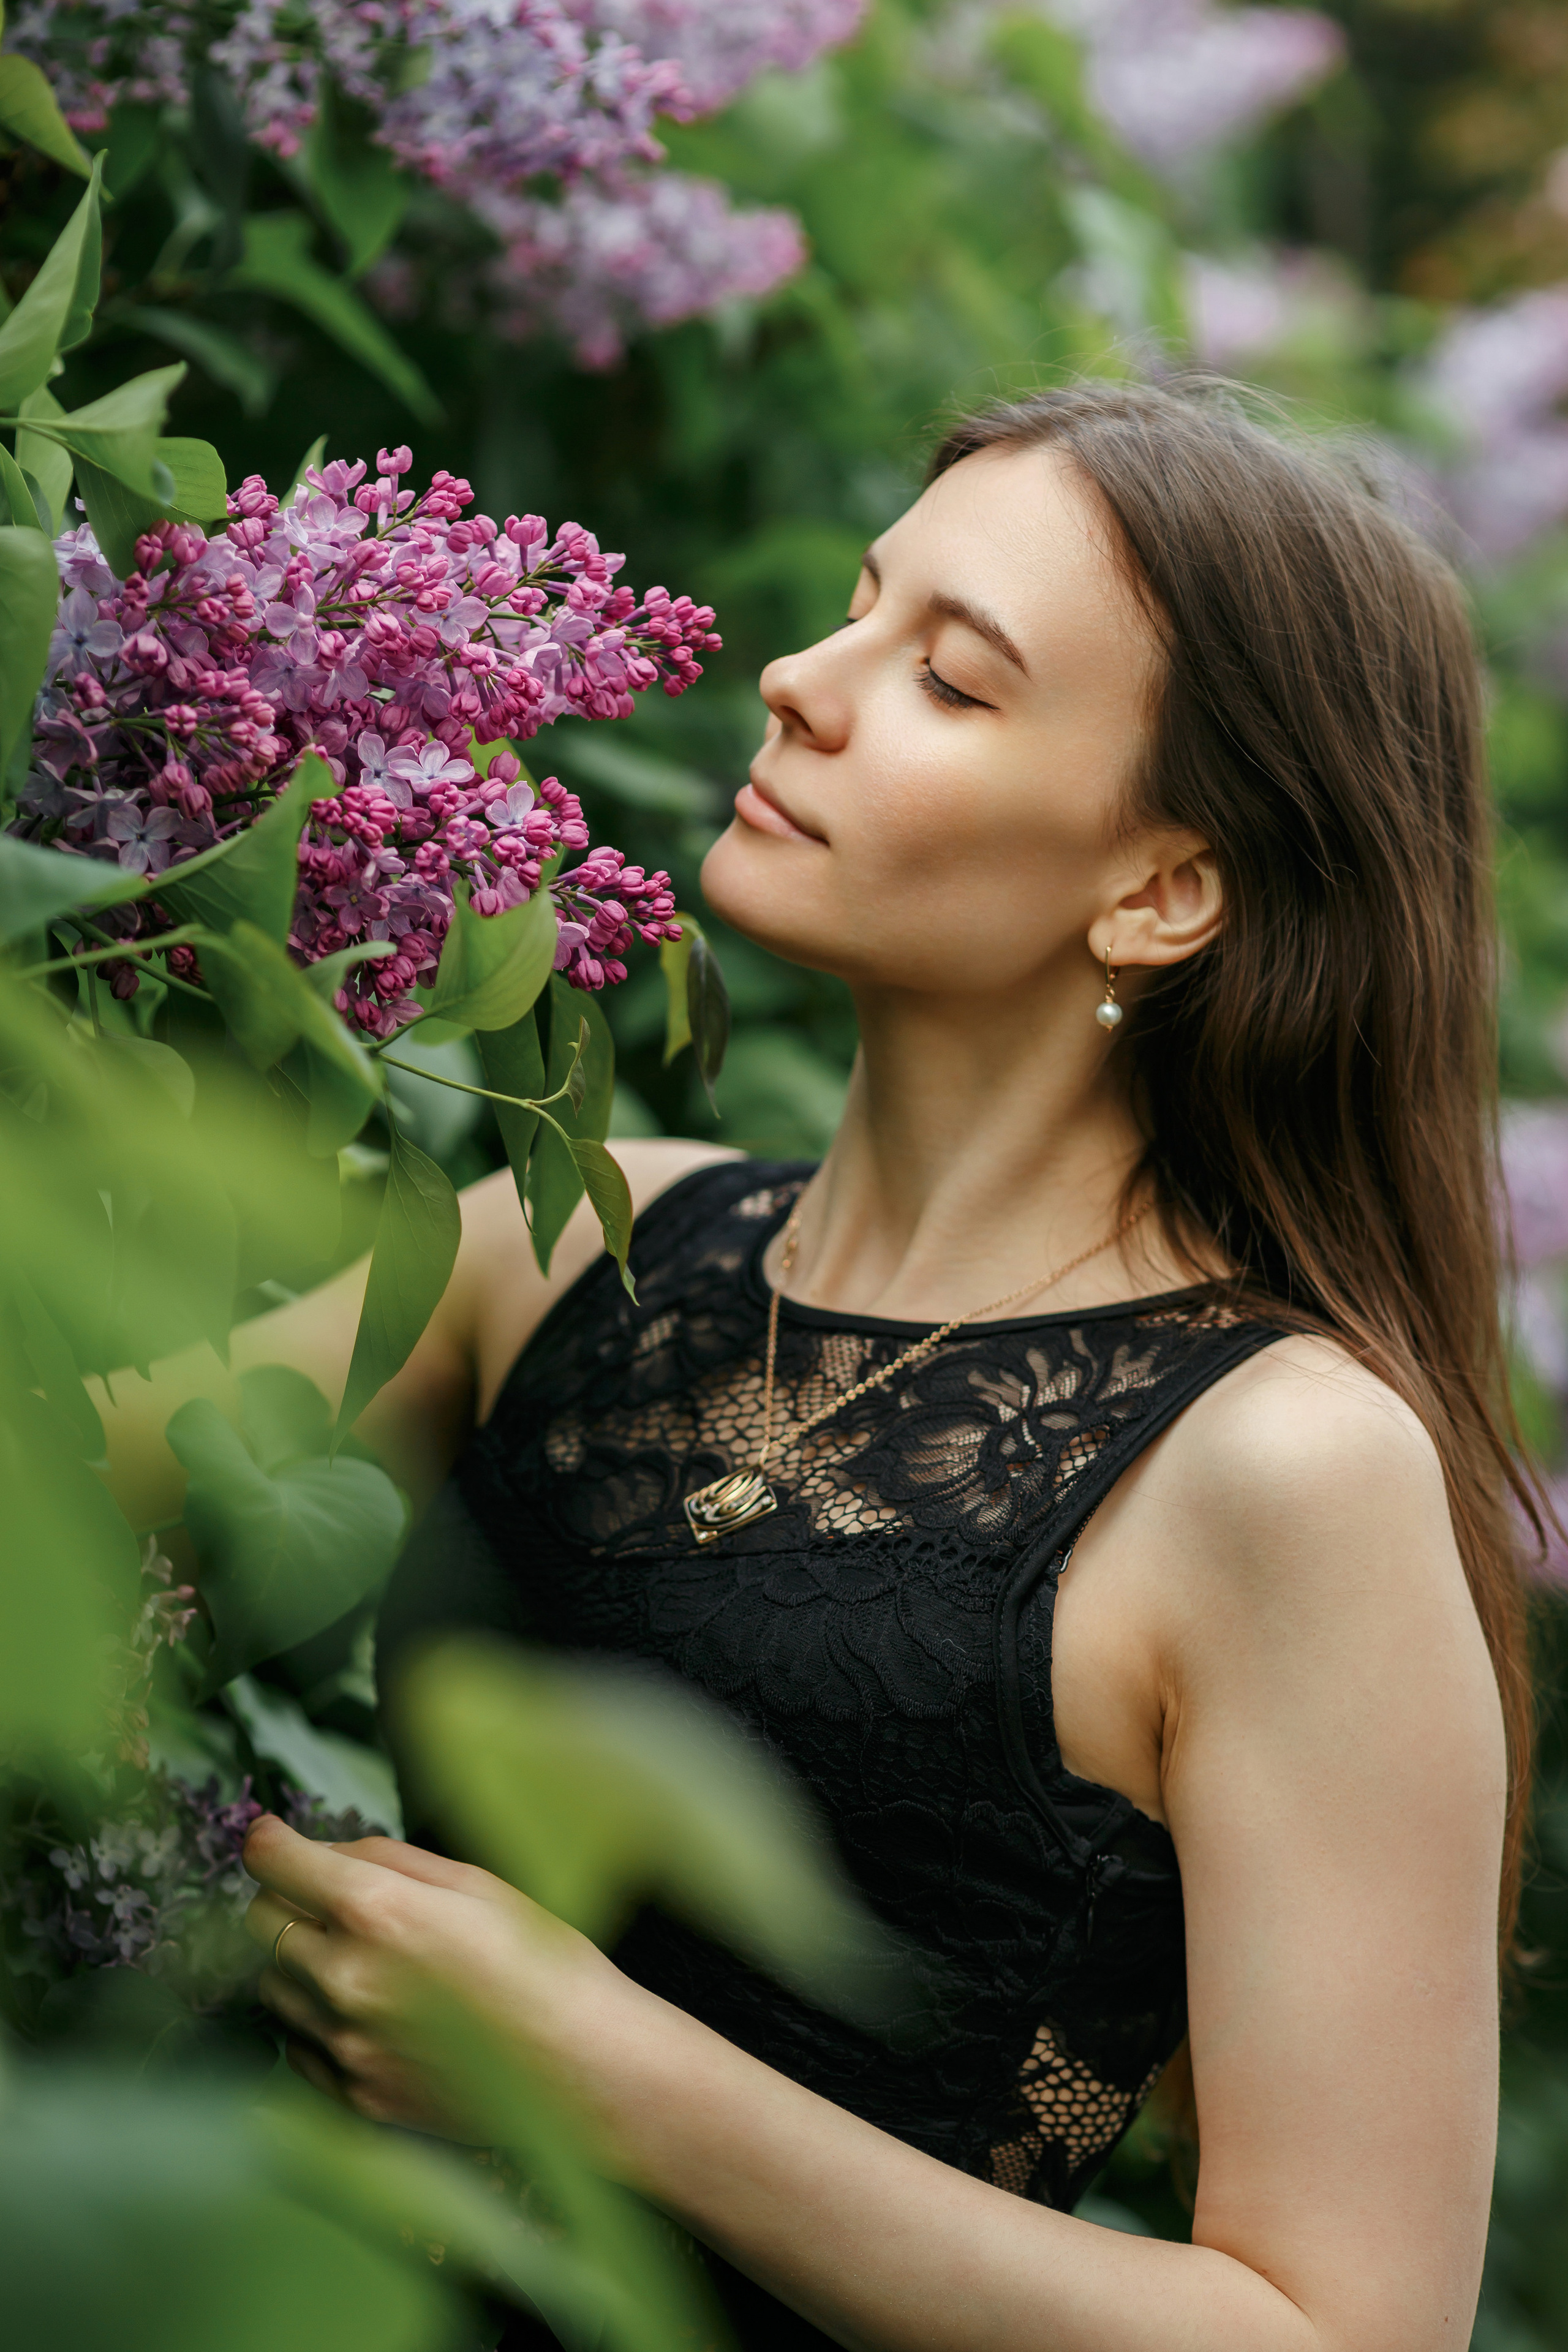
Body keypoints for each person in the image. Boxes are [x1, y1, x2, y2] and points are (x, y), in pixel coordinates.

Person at [106, 382, 1530, 2352]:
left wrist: (621, 2085)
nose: (796, 679)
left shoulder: (1282, 1467)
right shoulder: (572, 1249)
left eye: (949, 680)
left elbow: (1344, 2330)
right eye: (860, 607)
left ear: (1163, 888)